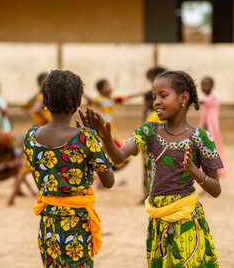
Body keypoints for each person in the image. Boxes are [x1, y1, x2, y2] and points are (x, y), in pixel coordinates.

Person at [80, 70, 223, 267]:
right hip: (158, 222)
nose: (156, 101)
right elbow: (119, 156)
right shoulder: (148, 131)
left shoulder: (201, 137)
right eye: (154, 97)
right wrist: (106, 139)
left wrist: (195, 172)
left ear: (183, 98)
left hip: (187, 221)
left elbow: (216, 189)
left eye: (163, 96)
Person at [24, 70, 114, 267]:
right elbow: (108, 181)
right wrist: (97, 139)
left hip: (48, 227)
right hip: (77, 229)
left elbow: (41, 182)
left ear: (45, 102)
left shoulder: (30, 137)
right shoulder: (86, 137)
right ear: (76, 103)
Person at [7, 73, 50, 205]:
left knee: (29, 165)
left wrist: (32, 114)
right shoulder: (43, 97)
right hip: (42, 133)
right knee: (30, 166)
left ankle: (14, 196)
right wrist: (43, 118)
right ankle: (13, 197)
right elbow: (36, 110)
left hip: (36, 131)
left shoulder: (38, 96)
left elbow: (25, 105)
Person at [199, 76, 226, 177]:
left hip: (212, 129)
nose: (203, 87)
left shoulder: (213, 97)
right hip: (206, 128)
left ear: (212, 86)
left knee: (214, 148)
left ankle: (217, 170)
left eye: (206, 84)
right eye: (202, 85)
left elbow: (203, 101)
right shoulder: (207, 99)